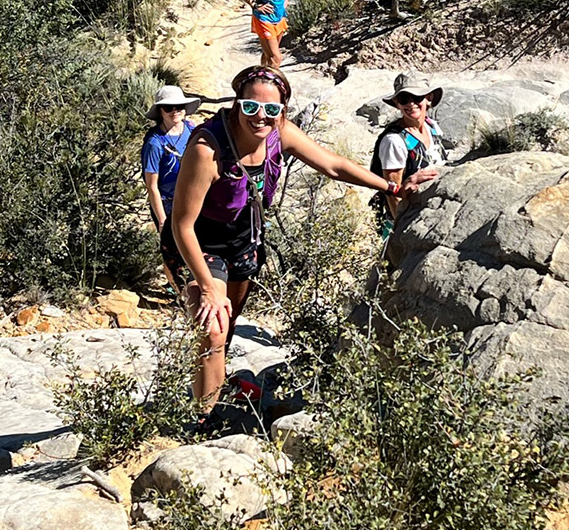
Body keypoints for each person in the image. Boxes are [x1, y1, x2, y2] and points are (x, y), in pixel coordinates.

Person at [169, 65, 437, 425]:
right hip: (200, 243)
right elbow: (181, 224)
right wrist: (206, 286)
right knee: (213, 326)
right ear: (236, 105)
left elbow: (335, 166)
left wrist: (391, 188)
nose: (260, 117)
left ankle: (215, 398)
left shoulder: (281, 133)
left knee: (227, 330)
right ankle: (202, 420)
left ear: (283, 111)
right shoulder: (208, 148)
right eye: (250, 107)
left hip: (245, 240)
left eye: (271, 109)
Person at [369, 72, 447, 239]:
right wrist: (402, 232)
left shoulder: (432, 127)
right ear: (397, 103)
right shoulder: (394, 141)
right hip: (405, 223)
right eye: (404, 98)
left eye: (417, 97)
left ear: (429, 98)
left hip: (429, 213)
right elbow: (392, 193)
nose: (411, 103)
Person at [141, 85, 201, 286]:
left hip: (194, 197)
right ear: (160, 112)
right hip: (168, 202)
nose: (175, 111)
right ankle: (177, 290)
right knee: (171, 249)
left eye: (179, 106)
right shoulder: (154, 143)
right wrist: (162, 220)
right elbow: (152, 186)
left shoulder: (193, 130)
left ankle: (193, 284)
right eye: (169, 108)